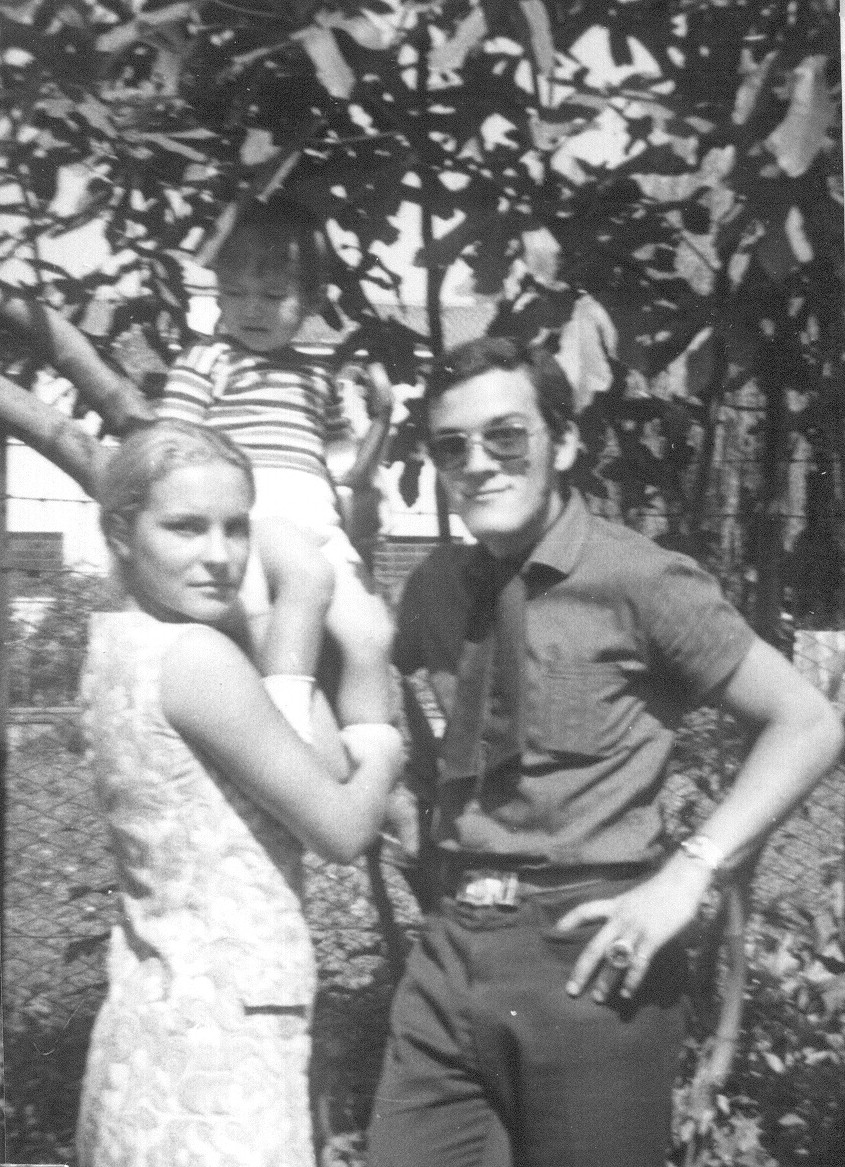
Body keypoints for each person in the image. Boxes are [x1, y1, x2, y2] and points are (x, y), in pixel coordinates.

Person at [367, 336, 844, 1167]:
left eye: (504, 436)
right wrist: (395, 789)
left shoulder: (640, 580)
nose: (476, 463)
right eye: (451, 446)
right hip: (448, 947)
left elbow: (806, 723)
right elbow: (373, 677)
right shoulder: (436, 586)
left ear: (563, 442)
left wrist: (691, 870)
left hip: (589, 953)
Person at [76, 420, 404, 1167]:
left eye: (235, 527)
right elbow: (342, 828)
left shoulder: (118, 642)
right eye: (185, 527)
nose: (220, 555)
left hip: (158, 1020)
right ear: (121, 533)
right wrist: (382, 740)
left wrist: (288, 611)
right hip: (218, 1051)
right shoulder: (196, 659)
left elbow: (304, 748)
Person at [158, 196, 394, 744]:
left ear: (310, 301)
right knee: (303, 584)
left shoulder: (318, 379)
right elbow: (170, 449)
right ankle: (288, 730)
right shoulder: (207, 361)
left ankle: (373, 750)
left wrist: (382, 421)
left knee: (374, 632)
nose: (252, 310)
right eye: (235, 293)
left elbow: (344, 469)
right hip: (257, 520)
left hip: (322, 529)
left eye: (272, 295)